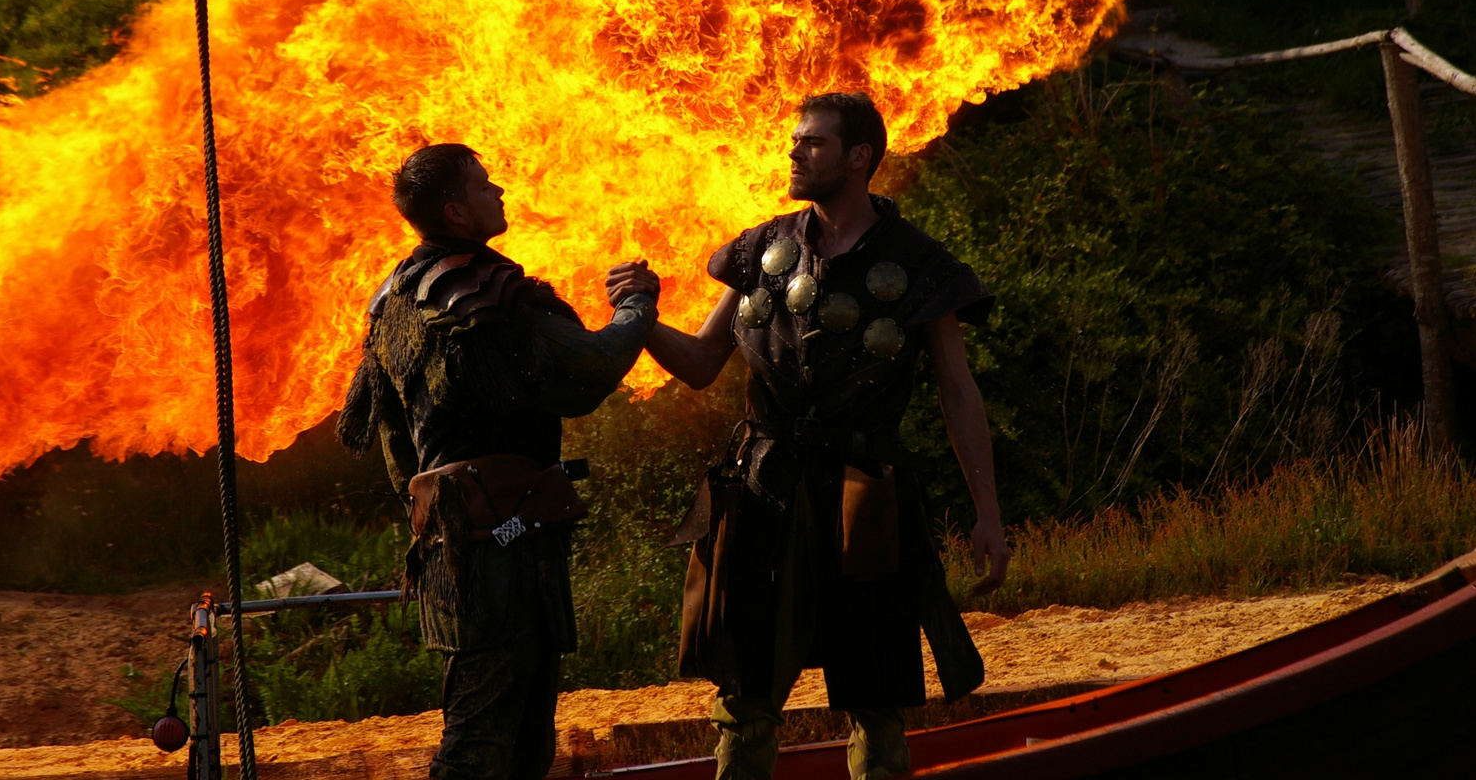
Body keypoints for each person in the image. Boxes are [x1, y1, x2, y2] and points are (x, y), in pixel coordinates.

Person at [606, 92, 1009, 780]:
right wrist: (640, 316)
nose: (795, 152)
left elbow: (958, 393)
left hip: (864, 498)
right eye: (795, 140)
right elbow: (703, 364)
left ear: (859, 159)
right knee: (747, 692)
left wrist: (988, 514)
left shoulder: (918, 264)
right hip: (765, 492)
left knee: (876, 697)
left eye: (813, 143)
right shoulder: (765, 247)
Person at [337, 143, 659, 780]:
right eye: (486, 185)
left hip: (464, 541)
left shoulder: (393, 302)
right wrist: (638, 305)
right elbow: (591, 371)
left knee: (517, 740)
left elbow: (394, 445)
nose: (500, 192)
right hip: (501, 548)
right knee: (484, 742)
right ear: (456, 210)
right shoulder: (480, 292)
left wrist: (436, 512)